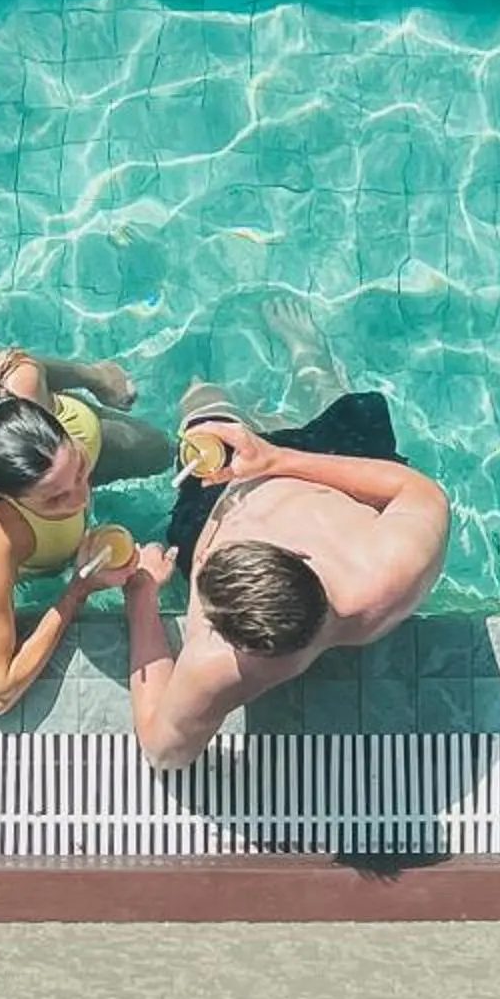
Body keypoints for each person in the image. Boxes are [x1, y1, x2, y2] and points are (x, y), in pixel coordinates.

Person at [116, 308, 450, 774]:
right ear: (300, 555)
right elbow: (420, 492)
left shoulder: (218, 663)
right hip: (327, 476)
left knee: (204, 416)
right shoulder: (386, 572)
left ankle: (197, 378)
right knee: (336, 402)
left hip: (220, 484)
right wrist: (277, 460)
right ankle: (310, 358)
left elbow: (163, 750)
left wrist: (142, 597)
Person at [0, 344, 177, 717]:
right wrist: (78, 589)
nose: (81, 498)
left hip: (82, 434)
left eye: (80, 474)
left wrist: (93, 379)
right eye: (55, 499)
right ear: (5, 497)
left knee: (166, 452)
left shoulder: (20, 388)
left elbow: (19, 363)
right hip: (42, 520)